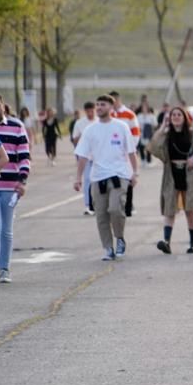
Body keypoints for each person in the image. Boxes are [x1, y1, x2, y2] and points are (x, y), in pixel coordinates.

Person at [73, 95, 137, 261]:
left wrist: (134, 173)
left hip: (119, 175)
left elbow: (131, 152)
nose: (99, 107)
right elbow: (83, 156)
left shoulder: (121, 127)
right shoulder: (90, 129)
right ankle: (108, 248)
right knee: (101, 215)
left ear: (111, 106)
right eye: (98, 104)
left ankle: (120, 237)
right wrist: (78, 177)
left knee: (116, 209)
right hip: (97, 177)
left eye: (103, 104)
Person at [149, 107, 193, 254]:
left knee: (189, 209)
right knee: (169, 209)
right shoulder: (166, 135)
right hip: (171, 174)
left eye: (178, 115)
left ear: (184, 117)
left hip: (188, 174)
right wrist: (163, 126)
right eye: (173, 115)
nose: (175, 117)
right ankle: (167, 242)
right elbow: (152, 147)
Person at [0, 95, 30, 283]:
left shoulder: (16, 126)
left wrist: (22, 180)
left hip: (10, 186)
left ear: (3, 106)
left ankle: (4, 269)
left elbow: (24, 156)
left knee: (6, 230)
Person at [72, 101, 98, 215]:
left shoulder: (99, 122)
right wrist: (83, 138)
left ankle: (98, 204)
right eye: (88, 111)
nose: (90, 113)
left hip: (98, 156)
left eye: (92, 111)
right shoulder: (80, 123)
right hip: (85, 156)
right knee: (87, 179)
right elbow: (75, 139)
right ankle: (88, 205)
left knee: (98, 180)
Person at [136, 96, 157, 165]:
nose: (144, 109)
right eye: (143, 108)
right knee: (141, 146)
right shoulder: (139, 115)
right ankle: (142, 159)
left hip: (149, 133)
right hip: (141, 133)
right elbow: (137, 124)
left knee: (149, 147)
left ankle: (148, 160)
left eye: (146, 107)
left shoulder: (151, 116)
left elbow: (155, 124)